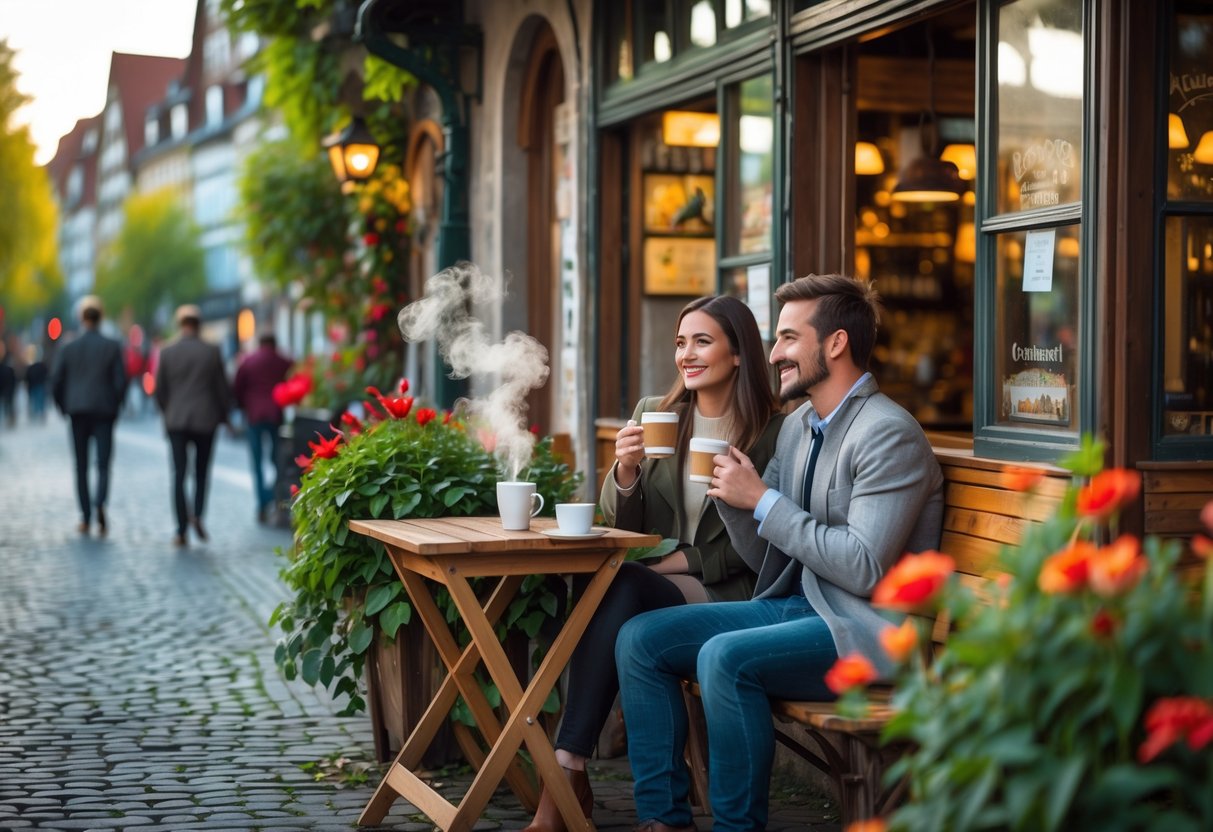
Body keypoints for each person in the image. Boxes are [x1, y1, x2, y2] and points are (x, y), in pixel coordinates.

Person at [615, 274, 945, 832]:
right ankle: (663, 821)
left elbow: (864, 568)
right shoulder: (798, 427)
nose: (774, 354)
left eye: (789, 339)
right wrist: (736, 502)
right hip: (796, 605)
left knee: (724, 658)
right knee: (641, 638)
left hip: (863, 628)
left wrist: (764, 500)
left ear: (835, 343)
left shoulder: (889, 433)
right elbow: (765, 548)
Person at [523, 295, 785, 832]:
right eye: (680, 343)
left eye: (702, 341)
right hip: (649, 584)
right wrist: (624, 472)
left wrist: (677, 561)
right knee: (620, 594)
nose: (686, 354)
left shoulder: (772, 432)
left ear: (739, 354)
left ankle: (569, 773)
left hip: (732, 592)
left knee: (621, 590)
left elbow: (762, 540)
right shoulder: (657, 413)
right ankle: (577, 769)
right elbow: (619, 523)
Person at [49, 296, 127, 535]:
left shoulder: (68, 347)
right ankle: (100, 502)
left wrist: (64, 407)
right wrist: (116, 406)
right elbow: (120, 382)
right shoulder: (112, 346)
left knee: (81, 466)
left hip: (78, 411)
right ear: (100, 317)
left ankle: (85, 515)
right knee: (103, 464)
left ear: (82, 319)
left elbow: (56, 381)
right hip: (104, 411)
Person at [155, 304, 232, 546]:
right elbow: (222, 388)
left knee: (179, 474)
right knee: (201, 472)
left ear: (180, 324)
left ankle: (180, 529)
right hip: (205, 420)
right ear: (198, 325)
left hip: (176, 420)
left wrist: (168, 411)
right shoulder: (211, 351)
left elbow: (159, 390)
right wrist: (226, 416)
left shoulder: (167, 351)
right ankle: (197, 514)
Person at [232, 330, 292, 523]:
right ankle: (276, 498)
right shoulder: (283, 361)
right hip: (276, 414)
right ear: (274, 343)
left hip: (254, 415)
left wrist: (244, 406)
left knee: (257, 462)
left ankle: (261, 504)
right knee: (278, 461)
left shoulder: (248, 361)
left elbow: (237, 388)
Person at [24, 345, 49, 422]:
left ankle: (39, 413)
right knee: (37, 399)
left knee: (39, 399)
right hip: (35, 385)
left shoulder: (39, 365)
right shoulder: (32, 366)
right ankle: (38, 413)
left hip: (38, 385)